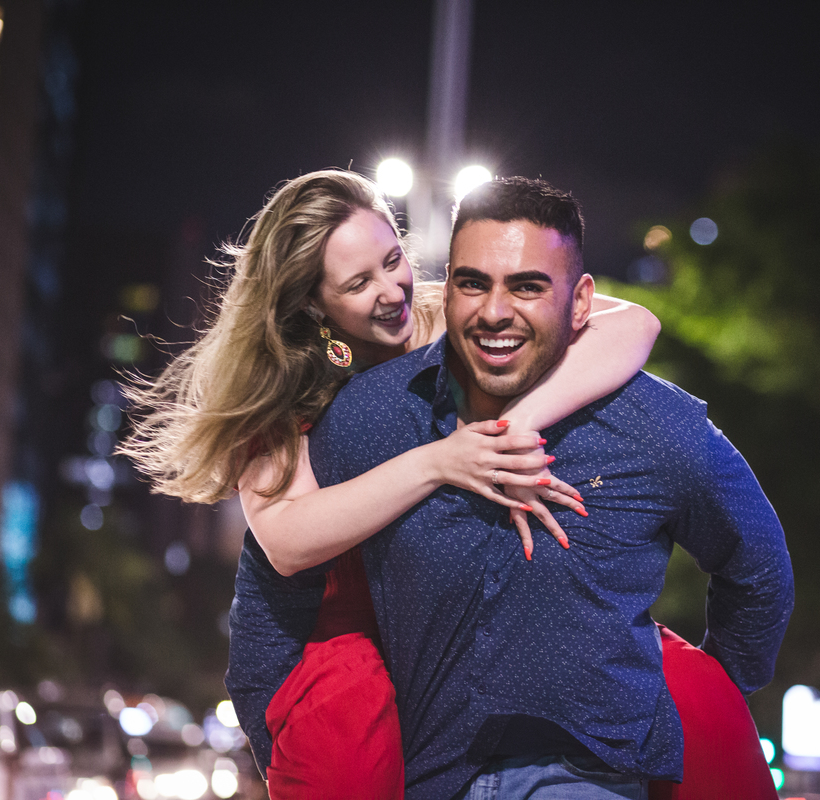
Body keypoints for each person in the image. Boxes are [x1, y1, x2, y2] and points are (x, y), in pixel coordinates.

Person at [123, 171, 778, 799]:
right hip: (336, 621)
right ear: (310, 304)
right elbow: (288, 542)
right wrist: (441, 460)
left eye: (392, 257)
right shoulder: (287, 391)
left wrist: (509, 430)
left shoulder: (447, 314)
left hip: (443, 622)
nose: (392, 289)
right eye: (358, 281)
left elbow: (634, 324)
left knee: (675, 694)